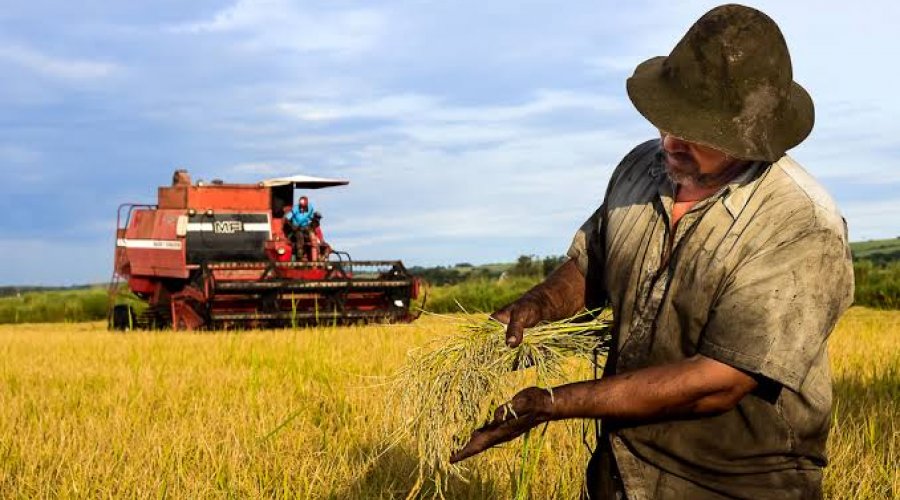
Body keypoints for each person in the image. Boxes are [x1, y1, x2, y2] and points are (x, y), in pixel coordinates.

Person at [450, 5, 854, 499]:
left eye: (696, 132)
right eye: (666, 120)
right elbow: (592, 262)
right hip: (621, 467)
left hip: (730, 482)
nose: (670, 141)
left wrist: (553, 403)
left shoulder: (799, 223)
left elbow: (718, 381)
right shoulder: (641, 168)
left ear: (750, 136)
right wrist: (539, 304)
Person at [285, 196, 315, 260]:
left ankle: (315, 252)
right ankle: (300, 253)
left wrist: (312, 224)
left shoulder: (310, 208)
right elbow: (287, 219)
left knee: (312, 235)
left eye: (304, 207)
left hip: (306, 226)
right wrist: (292, 226)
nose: (302, 209)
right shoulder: (295, 208)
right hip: (297, 227)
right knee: (300, 235)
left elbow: (312, 218)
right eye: (301, 207)